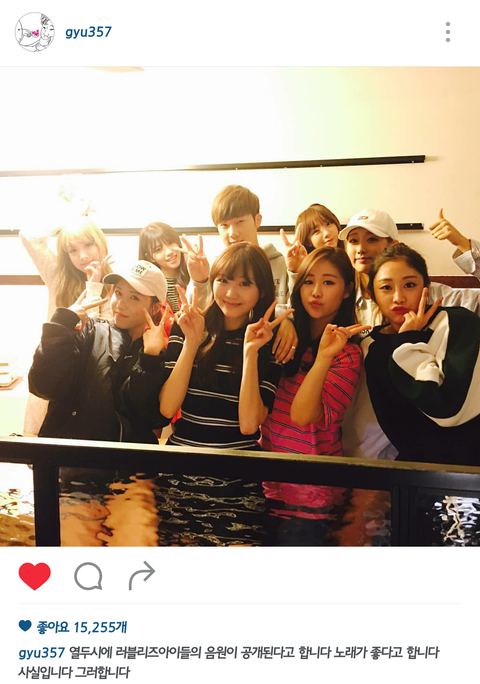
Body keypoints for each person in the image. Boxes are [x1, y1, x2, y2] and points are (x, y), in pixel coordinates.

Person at [339, 207, 480, 459]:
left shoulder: (450, 313)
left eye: (371, 239)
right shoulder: (346, 304)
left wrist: (463, 246)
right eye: (353, 241)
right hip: (384, 451)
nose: (361, 249)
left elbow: (448, 410)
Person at [158, 243, 289, 450]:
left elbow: (249, 425)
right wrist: (191, 343)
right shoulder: (187, 326)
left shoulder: (269, 340)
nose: (230, 293)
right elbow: (167, 409)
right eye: (223, 280)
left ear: (262, 291)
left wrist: (250, 353)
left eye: (245, 283)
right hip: (183, 456)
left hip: (239, 462)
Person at [363, 243, 480, 466]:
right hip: (414, 471)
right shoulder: (372, 347)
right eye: (386, 287)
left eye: (409, 285)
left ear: (426, 286)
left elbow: (448, 411)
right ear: (372, 294)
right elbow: (399, 429)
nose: (398, 297)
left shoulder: (459, 322)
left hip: (469, 468)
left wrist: (407, 341)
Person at [28, 260, 168, 444]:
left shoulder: (158, 353)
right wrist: (60, 326)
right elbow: (43, 386)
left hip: (122, 460)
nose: (120, 304)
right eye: (118, 293)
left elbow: (149, 417)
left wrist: (149, 360)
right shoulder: (90, 330)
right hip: (65, 454)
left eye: (134, 297)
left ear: (155, 307)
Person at [262, 247, 367, 455]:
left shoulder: (347, 354)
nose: (316, 292)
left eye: (328, 282)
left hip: (315, 469)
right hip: (268, 464)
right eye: (308, 282)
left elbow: (302, 416)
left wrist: (323, 357)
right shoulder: (284, 335)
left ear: (347, 290)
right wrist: (285, 321)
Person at [20, 216, 113, 436]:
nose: (83, 256)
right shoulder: (58, 275)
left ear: (100, 242)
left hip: (91, 384)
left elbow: (98, 334)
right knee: (39, 446)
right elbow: (28, 236)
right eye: (73, 250)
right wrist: (74, 214)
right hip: (53, 373)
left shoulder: (114, 282)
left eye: (88, 245)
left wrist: (94, 284)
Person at [211, 184, 297, 364]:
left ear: (257, 220)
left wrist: (286, 319)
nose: (232, 233)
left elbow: (296, 307)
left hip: (268, 354)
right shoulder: (216, 267)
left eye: (240, 222)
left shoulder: (280, 263)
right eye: (224, 225)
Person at [139, 221, 210, 313]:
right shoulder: (148, 290)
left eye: (170, 243)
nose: (169, 252)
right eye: (158, 249)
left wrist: (200, 281)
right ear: (150, 257)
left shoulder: (196, 277)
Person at [279, 203, 342, 303]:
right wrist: (296, 271)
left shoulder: (352, 257)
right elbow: (296, 307)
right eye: (316, 231)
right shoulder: (309, 268)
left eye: (328, 224)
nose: (326, 233)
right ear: (308, 241)